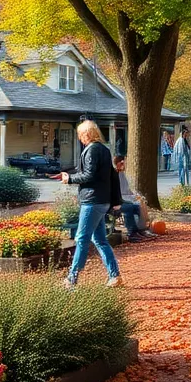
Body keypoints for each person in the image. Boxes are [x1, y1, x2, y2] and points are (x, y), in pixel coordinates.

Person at [59, 120, 122, 287]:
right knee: (100, 240)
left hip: (92, 201)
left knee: (81, 239)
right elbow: (111, 176)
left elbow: (88, 175)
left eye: (81, 135)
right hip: (102, 201)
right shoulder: (104, 149)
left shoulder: (92, 149)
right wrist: (116, 201)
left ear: (87, 134)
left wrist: (69, 179)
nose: (80, 138)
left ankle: (71, 280)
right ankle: (114, 276)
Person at [113, 155, 156, 242]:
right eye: (124, 162)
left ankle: (141, 230)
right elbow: (121, 193)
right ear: (120, 163)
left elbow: (126, 191)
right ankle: (131, 234)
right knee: (129, 207)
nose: (126, 164)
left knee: (138, 206)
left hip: (121, 200)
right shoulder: (115, 174)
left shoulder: (121, 173)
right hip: (115, 203)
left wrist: (135, 196)